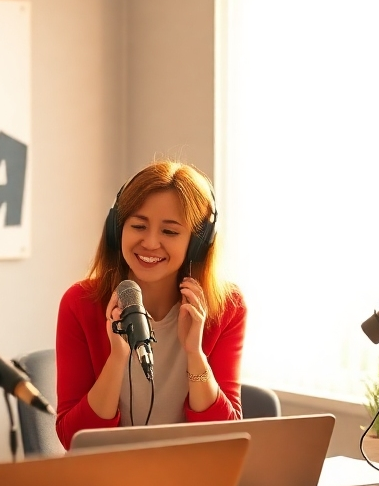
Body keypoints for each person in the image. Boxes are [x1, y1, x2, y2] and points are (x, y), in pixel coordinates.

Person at [55, 160, 246, 449]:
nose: (151, 242)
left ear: (197, 243)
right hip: (106, 472)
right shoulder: (80, 303)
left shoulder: (227, 308)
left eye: (170, 232)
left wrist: (195, 355)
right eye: (138, 226)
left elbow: (227, 439)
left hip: (190, 472)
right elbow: (73, 439)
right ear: (117, 229)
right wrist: (117, 358)